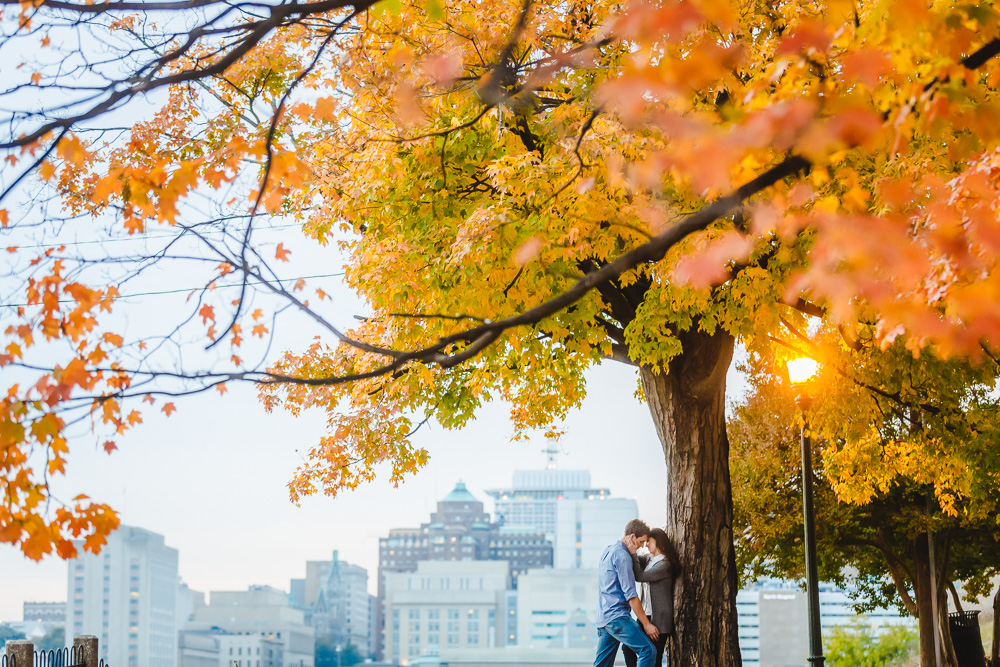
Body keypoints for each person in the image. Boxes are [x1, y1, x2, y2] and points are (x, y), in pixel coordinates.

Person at [594, 519, 658, 667]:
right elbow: (631, 596)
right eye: (641, 542)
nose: (642, 546)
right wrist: (646, 624)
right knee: (647, 650)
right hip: (617, 618)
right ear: (632, 537)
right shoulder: (623, 557)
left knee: (602, 665)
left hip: (604, 619)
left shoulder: (608, 550)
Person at [622, 527, 680, 667]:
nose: (646, 545)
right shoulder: (649, 559)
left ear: (659, 543)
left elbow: (640, 576)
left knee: (656, 657)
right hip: (645, 615)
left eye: (649, 542)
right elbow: (633, 559)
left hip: (659, 618)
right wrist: (631, 544)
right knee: (627, 647)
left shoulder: (665, 564)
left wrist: (633, 552)